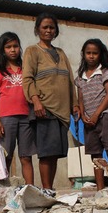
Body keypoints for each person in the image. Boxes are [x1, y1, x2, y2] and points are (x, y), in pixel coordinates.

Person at [22, 13, 79, 190]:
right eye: (44, 27)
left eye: (51, 27)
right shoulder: (32, 51)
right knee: (46, 154)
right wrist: (36, 101)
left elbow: (69, 80)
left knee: (54, 153)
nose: (48, 30)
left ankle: (50, 188)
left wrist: (74, 104)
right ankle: (46, 189)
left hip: (61, 111)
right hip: (44, 108)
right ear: (37, 29)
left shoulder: (61, 53)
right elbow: (27, 79)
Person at [0, 32, 36, 184]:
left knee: (26, 157)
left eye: (15, 46)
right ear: (2, 50)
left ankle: (31, 191)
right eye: (8, 47)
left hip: (26, 117)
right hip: (6, 118)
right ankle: (3, 191)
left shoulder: (26, 68)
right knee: (6, 156)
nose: (13, 50)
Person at [75, 38, 108, 190]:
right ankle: (100, 190)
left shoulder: (104, 71)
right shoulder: (80, 76)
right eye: (88, 53)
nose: (91, 56)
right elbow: (80, 97)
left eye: (95, 53)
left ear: (100, 54)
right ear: (84, 54)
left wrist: (96, 115)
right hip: (89, 122)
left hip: (105, 117)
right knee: (96, 156)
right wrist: (83, 115)